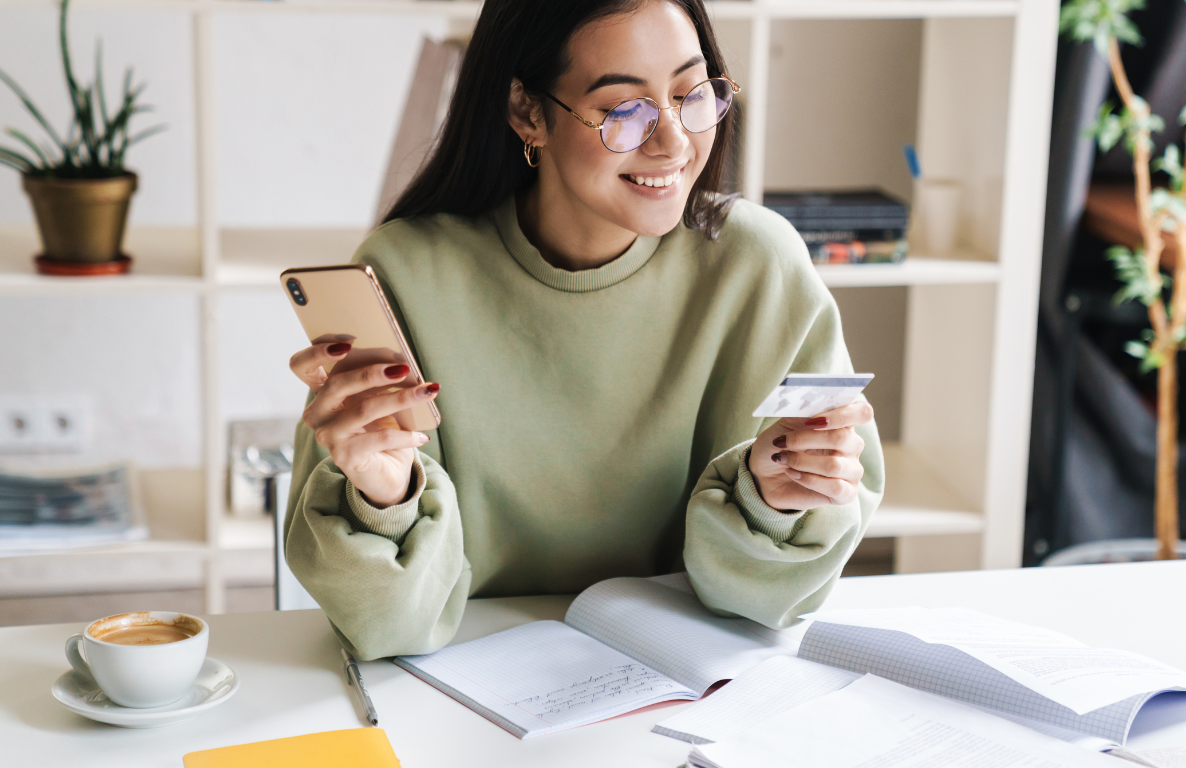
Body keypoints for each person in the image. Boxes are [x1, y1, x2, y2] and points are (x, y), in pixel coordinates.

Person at [284, 0, 885, 660]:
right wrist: (385, 494)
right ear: (528, 112)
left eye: (692, 93)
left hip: (686, 685)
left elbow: (765, 606)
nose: (675, 143)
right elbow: (391, 628)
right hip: (461, 686)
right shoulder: (406, 273)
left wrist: (778, 499)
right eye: (625, 111)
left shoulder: (758, 265)